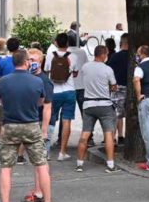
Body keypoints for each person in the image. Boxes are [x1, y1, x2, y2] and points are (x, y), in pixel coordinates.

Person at [0, 49, 55, 202]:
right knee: (41, 164)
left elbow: (2, 101)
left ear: (13, 62)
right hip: (31, 125)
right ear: (27, 62)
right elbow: (41, 102)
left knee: (6, 167)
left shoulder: (3, 81)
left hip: (10, 126)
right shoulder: (37, 81)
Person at [76, 45, 121, 173]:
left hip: (88, 104)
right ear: (103, 55)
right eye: (106, 54)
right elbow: (114, 86)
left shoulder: (85, 67)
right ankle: (110, 165)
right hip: (105, 105)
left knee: (85, 134)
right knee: (108, 134)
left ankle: (79, 164)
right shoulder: (107, 69)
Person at [44, 33, 78, 160]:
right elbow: (75, 73)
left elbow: (47, 71)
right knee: (67, 121)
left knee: (50, 120)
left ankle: (46, 152)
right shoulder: (73, 56)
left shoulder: (50, 55)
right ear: (67, 43)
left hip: (54, 92)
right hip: (69, 91)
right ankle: (62, 153)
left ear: (56, 43)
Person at [106, 34, 130, 144]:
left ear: (121, 43)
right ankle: (121, 136)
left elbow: (108, 73)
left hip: (117, 87)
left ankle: (113, 138)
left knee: (116, 114)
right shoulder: (134, 57)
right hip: (131, 88)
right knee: (128, 114)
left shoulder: (115, 57)